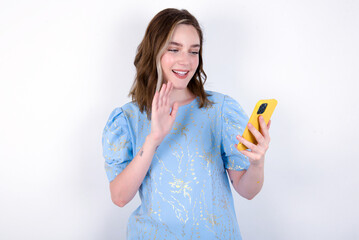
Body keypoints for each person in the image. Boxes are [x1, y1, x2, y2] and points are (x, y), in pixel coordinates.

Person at [102, 8, 271, 240]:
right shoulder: (127, 119)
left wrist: (257, 163)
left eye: (194, 51)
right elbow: (119, 197)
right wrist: (153, 140)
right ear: (155, 51)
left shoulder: (220, 111)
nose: (186, 61)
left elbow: (247, 191)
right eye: (174, 49)